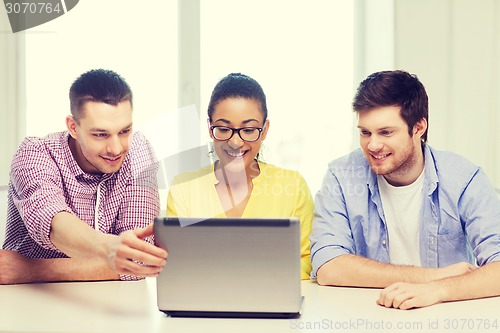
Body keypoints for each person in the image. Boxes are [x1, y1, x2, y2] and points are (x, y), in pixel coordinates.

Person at [310, 70, 500, 309]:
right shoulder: (341, 176)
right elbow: (329, 266)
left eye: (386, 132)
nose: (373, 145)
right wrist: (433, 276)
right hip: (368, 316)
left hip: (444, 316)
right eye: (365, 132)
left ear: (418, 128)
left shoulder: (464, 179)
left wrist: (437, 290)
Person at [1, 69, 167, 284]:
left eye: (124, 131)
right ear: (73, 127)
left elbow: (137, 262)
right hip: (26, 298)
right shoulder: (34, 153)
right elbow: (55, 224)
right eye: (100, 134)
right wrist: (110, 251)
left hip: (109, 300)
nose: (116, 148)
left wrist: (31, 271)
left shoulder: (139, 151)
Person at [167, 73, 313, 279]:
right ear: (210, 128)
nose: (235, 142)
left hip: (270, 301)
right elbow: (176, 263)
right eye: (224, 129)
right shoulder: (184, 188)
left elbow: (305, 260)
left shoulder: (293, 186)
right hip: (202, 304)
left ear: (264, 130)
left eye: (249, 129)